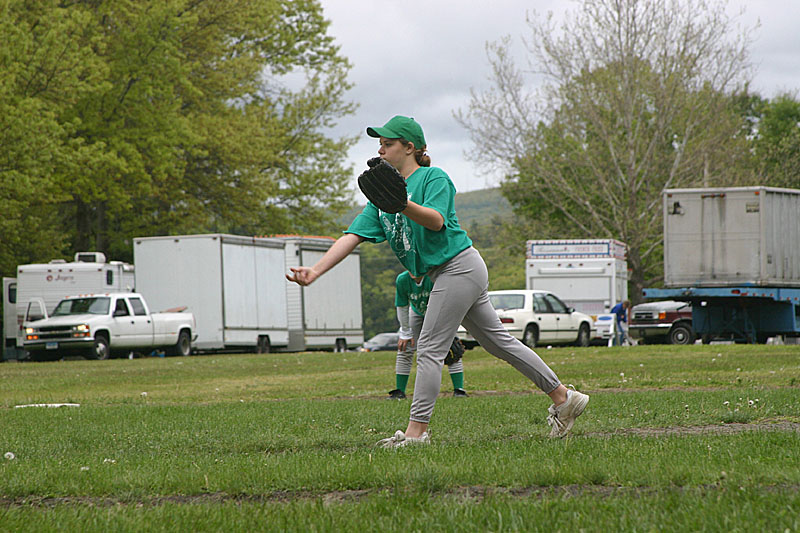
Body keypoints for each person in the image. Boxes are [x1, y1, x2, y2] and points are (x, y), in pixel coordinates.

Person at [286, 115, 589, 447]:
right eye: (380, 145)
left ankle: (416, 434)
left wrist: (403, 204)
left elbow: (435, 221)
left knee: (429, 348)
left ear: (410, 148)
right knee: (497, 342)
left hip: (459, 266)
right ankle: (564, 398)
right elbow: (353, 235)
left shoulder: (433, 178)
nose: (381, 150)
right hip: (445, 274)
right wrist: (315, 270)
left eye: (388, 144)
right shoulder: (381, 200)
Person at [390, 270, 467, 400]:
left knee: (450, 347)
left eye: (417, 265)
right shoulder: (402, 280)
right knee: (405, 347)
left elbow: (444, 303)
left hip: (440, 311)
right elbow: (402, 306)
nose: (414, 269)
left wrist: (445, 329)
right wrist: (405, 331)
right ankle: (399, 391)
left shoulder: (433, 277)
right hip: (416, 311)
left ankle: (459, 390)